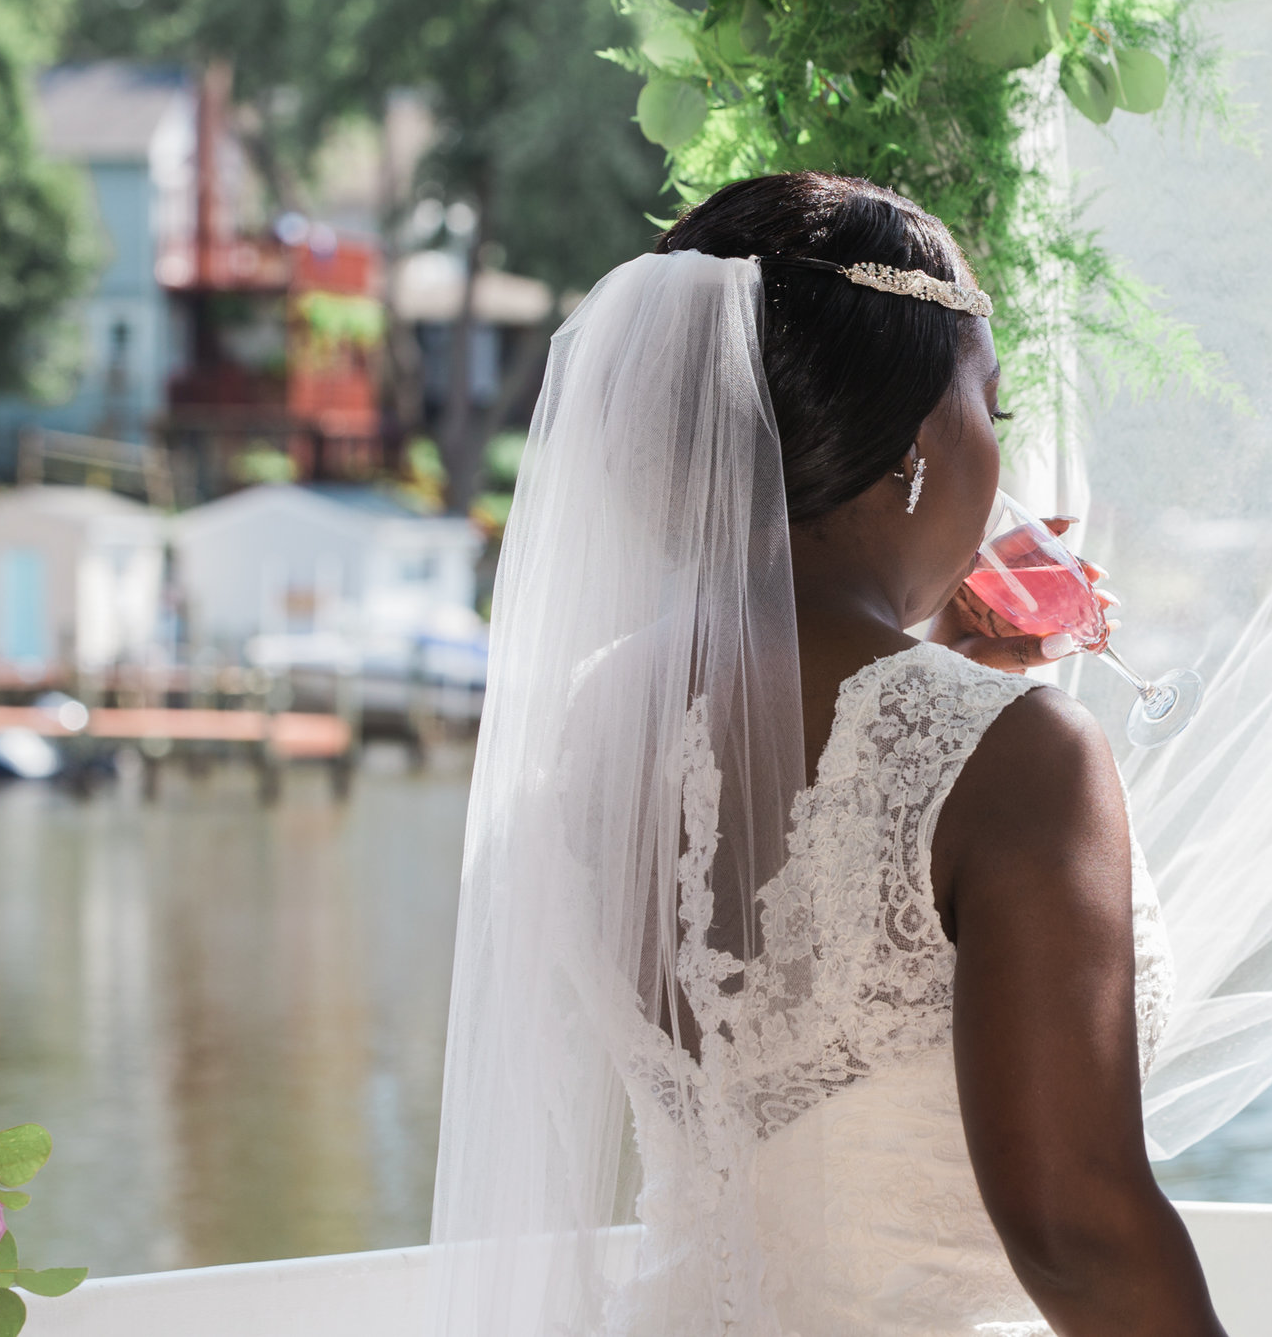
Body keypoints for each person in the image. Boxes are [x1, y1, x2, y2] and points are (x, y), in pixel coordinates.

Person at [429, 173, 1222, 1337]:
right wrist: (975, 721)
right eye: (989, 408)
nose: (999, 456)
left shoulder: (598, 710)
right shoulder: (1020, 761)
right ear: (917, 436)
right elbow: (1077, 1226)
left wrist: (950, 681)